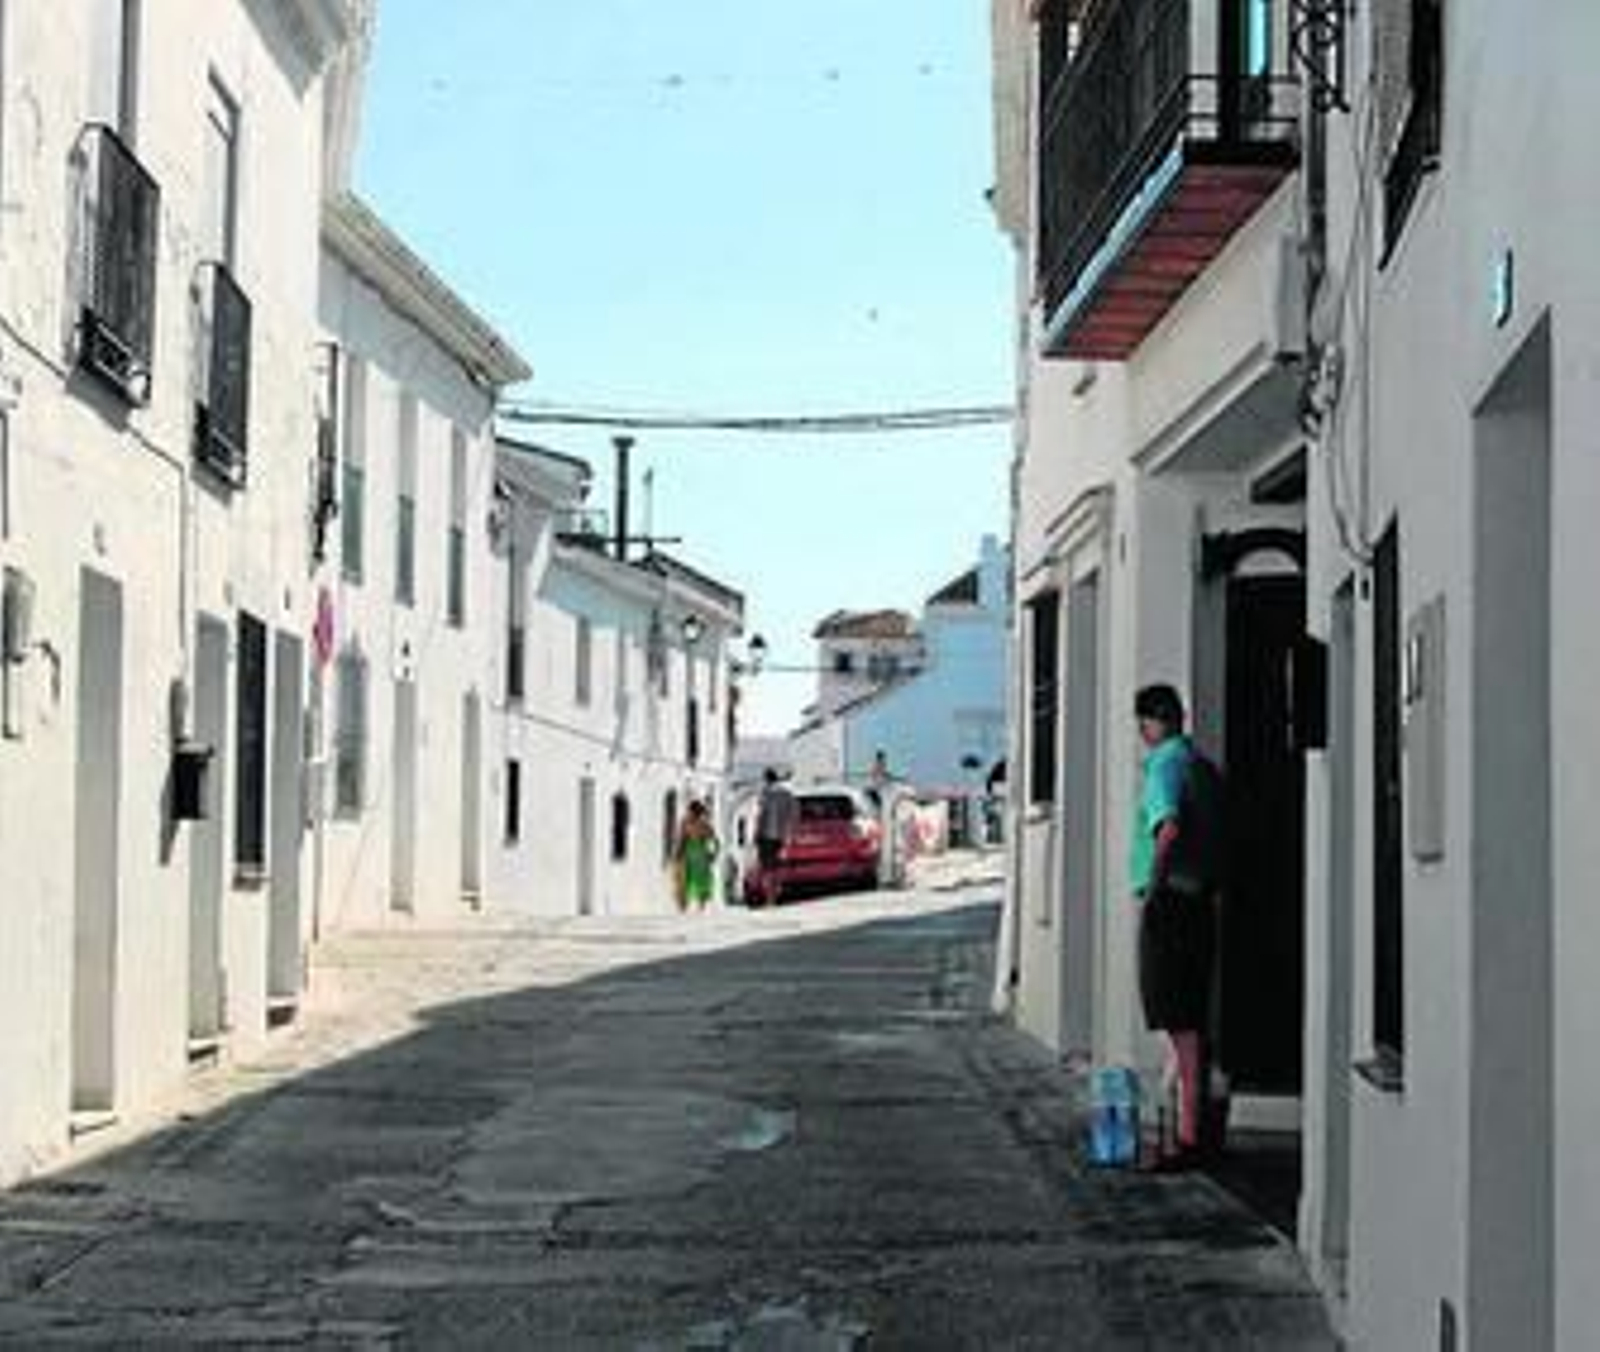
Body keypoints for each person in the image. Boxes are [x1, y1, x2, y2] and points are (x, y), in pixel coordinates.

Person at [1131, 683, 1224, 1170]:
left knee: (1178, 1021)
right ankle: (1185, 1125)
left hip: (1173, 901)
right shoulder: (1202, 767)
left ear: (1149, 722)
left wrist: (1152, 888)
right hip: (1201, 899)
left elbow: (1167, 826)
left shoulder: (1165, 763)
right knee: (1188, 1021)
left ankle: (1187, 1136)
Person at [753, 768, 795, 906]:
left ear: (766, 778)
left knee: (766, 867)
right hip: (782, 835)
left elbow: (761, 814)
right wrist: (789, 834)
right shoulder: (787, 793)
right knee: (777, 866)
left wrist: (756, 832)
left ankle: (769, 897)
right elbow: (793, 814)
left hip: (765, 834)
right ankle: (776, 891)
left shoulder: (765, 793)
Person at [674, 799, 719, 913]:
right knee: (688, 879)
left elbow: (714, 840)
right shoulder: (688, 822)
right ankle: (685, 905)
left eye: (690, 811)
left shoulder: (701, 823)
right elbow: (682, 838)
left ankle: (698, 906)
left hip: (697, 852)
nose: (688, 813)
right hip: (693, 852)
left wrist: (713, 854)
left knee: (699, 880)